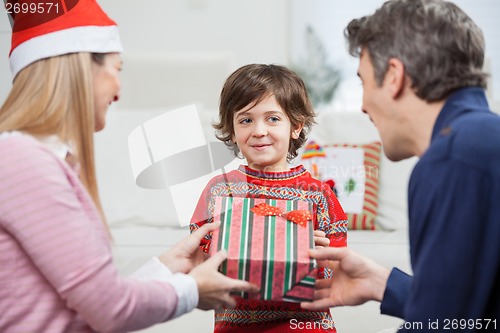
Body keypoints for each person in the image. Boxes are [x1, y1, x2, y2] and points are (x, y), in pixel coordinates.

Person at [0, 1, 257, 332]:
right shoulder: (26, 163)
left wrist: (166, 267)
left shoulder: (35, 159)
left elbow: (90, 303)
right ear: (82, 68)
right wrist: (193, 291)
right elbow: (110, 310)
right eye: (117, 69)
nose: (119, 91)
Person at [301, 0, 500, 331]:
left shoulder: (452, 158)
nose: (363, 105)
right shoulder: (482, 140)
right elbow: (477, 316)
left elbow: (439, 327)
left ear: (394, 76)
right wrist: (383, 283)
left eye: (363, 82)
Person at [189, 64, 349, 333]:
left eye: (273, 119)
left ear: (296, 126)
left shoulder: (318, 195)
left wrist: (324, 260)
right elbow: (197, 263)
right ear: (231, 129)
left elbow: (340, 273)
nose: (259, 130)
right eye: (245, 120)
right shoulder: (219, 191)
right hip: (236, 326)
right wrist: (213, 253)